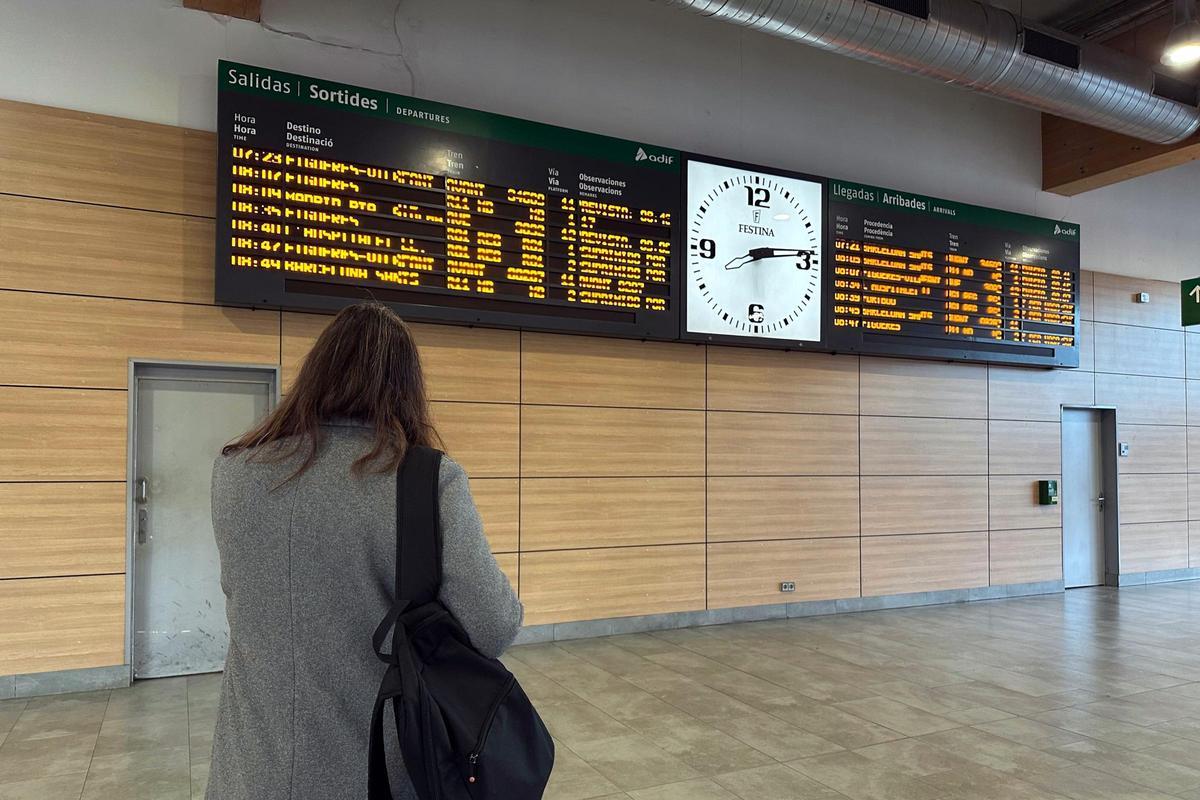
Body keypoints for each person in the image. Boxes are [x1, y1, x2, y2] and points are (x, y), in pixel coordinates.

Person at [207, 302, 523, 800]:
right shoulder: (425, 479)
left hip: (249, 770)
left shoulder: (234, 472)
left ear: (317, 372)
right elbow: (493, 624)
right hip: (377, 770)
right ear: (406, 387)